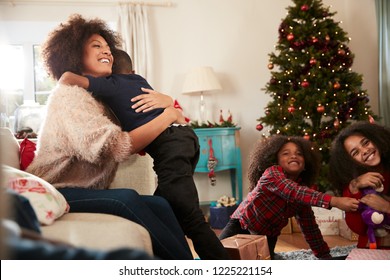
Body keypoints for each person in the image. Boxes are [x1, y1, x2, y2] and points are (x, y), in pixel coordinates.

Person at [25, 14, 193, 260]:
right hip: (57, 190)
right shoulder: (70, 97)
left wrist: (169, 103)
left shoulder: (102, 98)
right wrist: (168, 115)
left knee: (161, 204)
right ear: (74, 54)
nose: (107, 51)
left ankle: (184, 263)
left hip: (81, 189)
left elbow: (144, 130)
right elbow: (121, 146)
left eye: (107, 46)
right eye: (96, 46)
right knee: (126, 198)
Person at [58, 49, 230, 260]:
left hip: (170, 146)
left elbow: (68, 78)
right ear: (133, 70)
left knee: (191, 218)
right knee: (165, 203)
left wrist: (68, 75)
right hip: (185, 137)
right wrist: (169, 105)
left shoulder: (112, 84)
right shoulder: (138, 80)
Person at [218, 135, 360, 259]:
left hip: (268, 237)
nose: (293, 156)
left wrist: (324, 256)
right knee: (218, 260)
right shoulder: (271, 174)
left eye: (299, 154)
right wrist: (334, 201)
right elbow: (292, 191)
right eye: (286, 153)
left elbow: (309, 227)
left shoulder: (302, 191)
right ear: (276, 161)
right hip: (241, 227)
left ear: (305, 165)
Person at [329, 121, 390, 249]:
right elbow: (359, 229)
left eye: (366, 143)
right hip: (370, 249)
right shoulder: (355, 184)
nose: (365, 151)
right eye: (355, 153)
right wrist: (354, 188)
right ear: (349, 161)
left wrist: (386, 207)